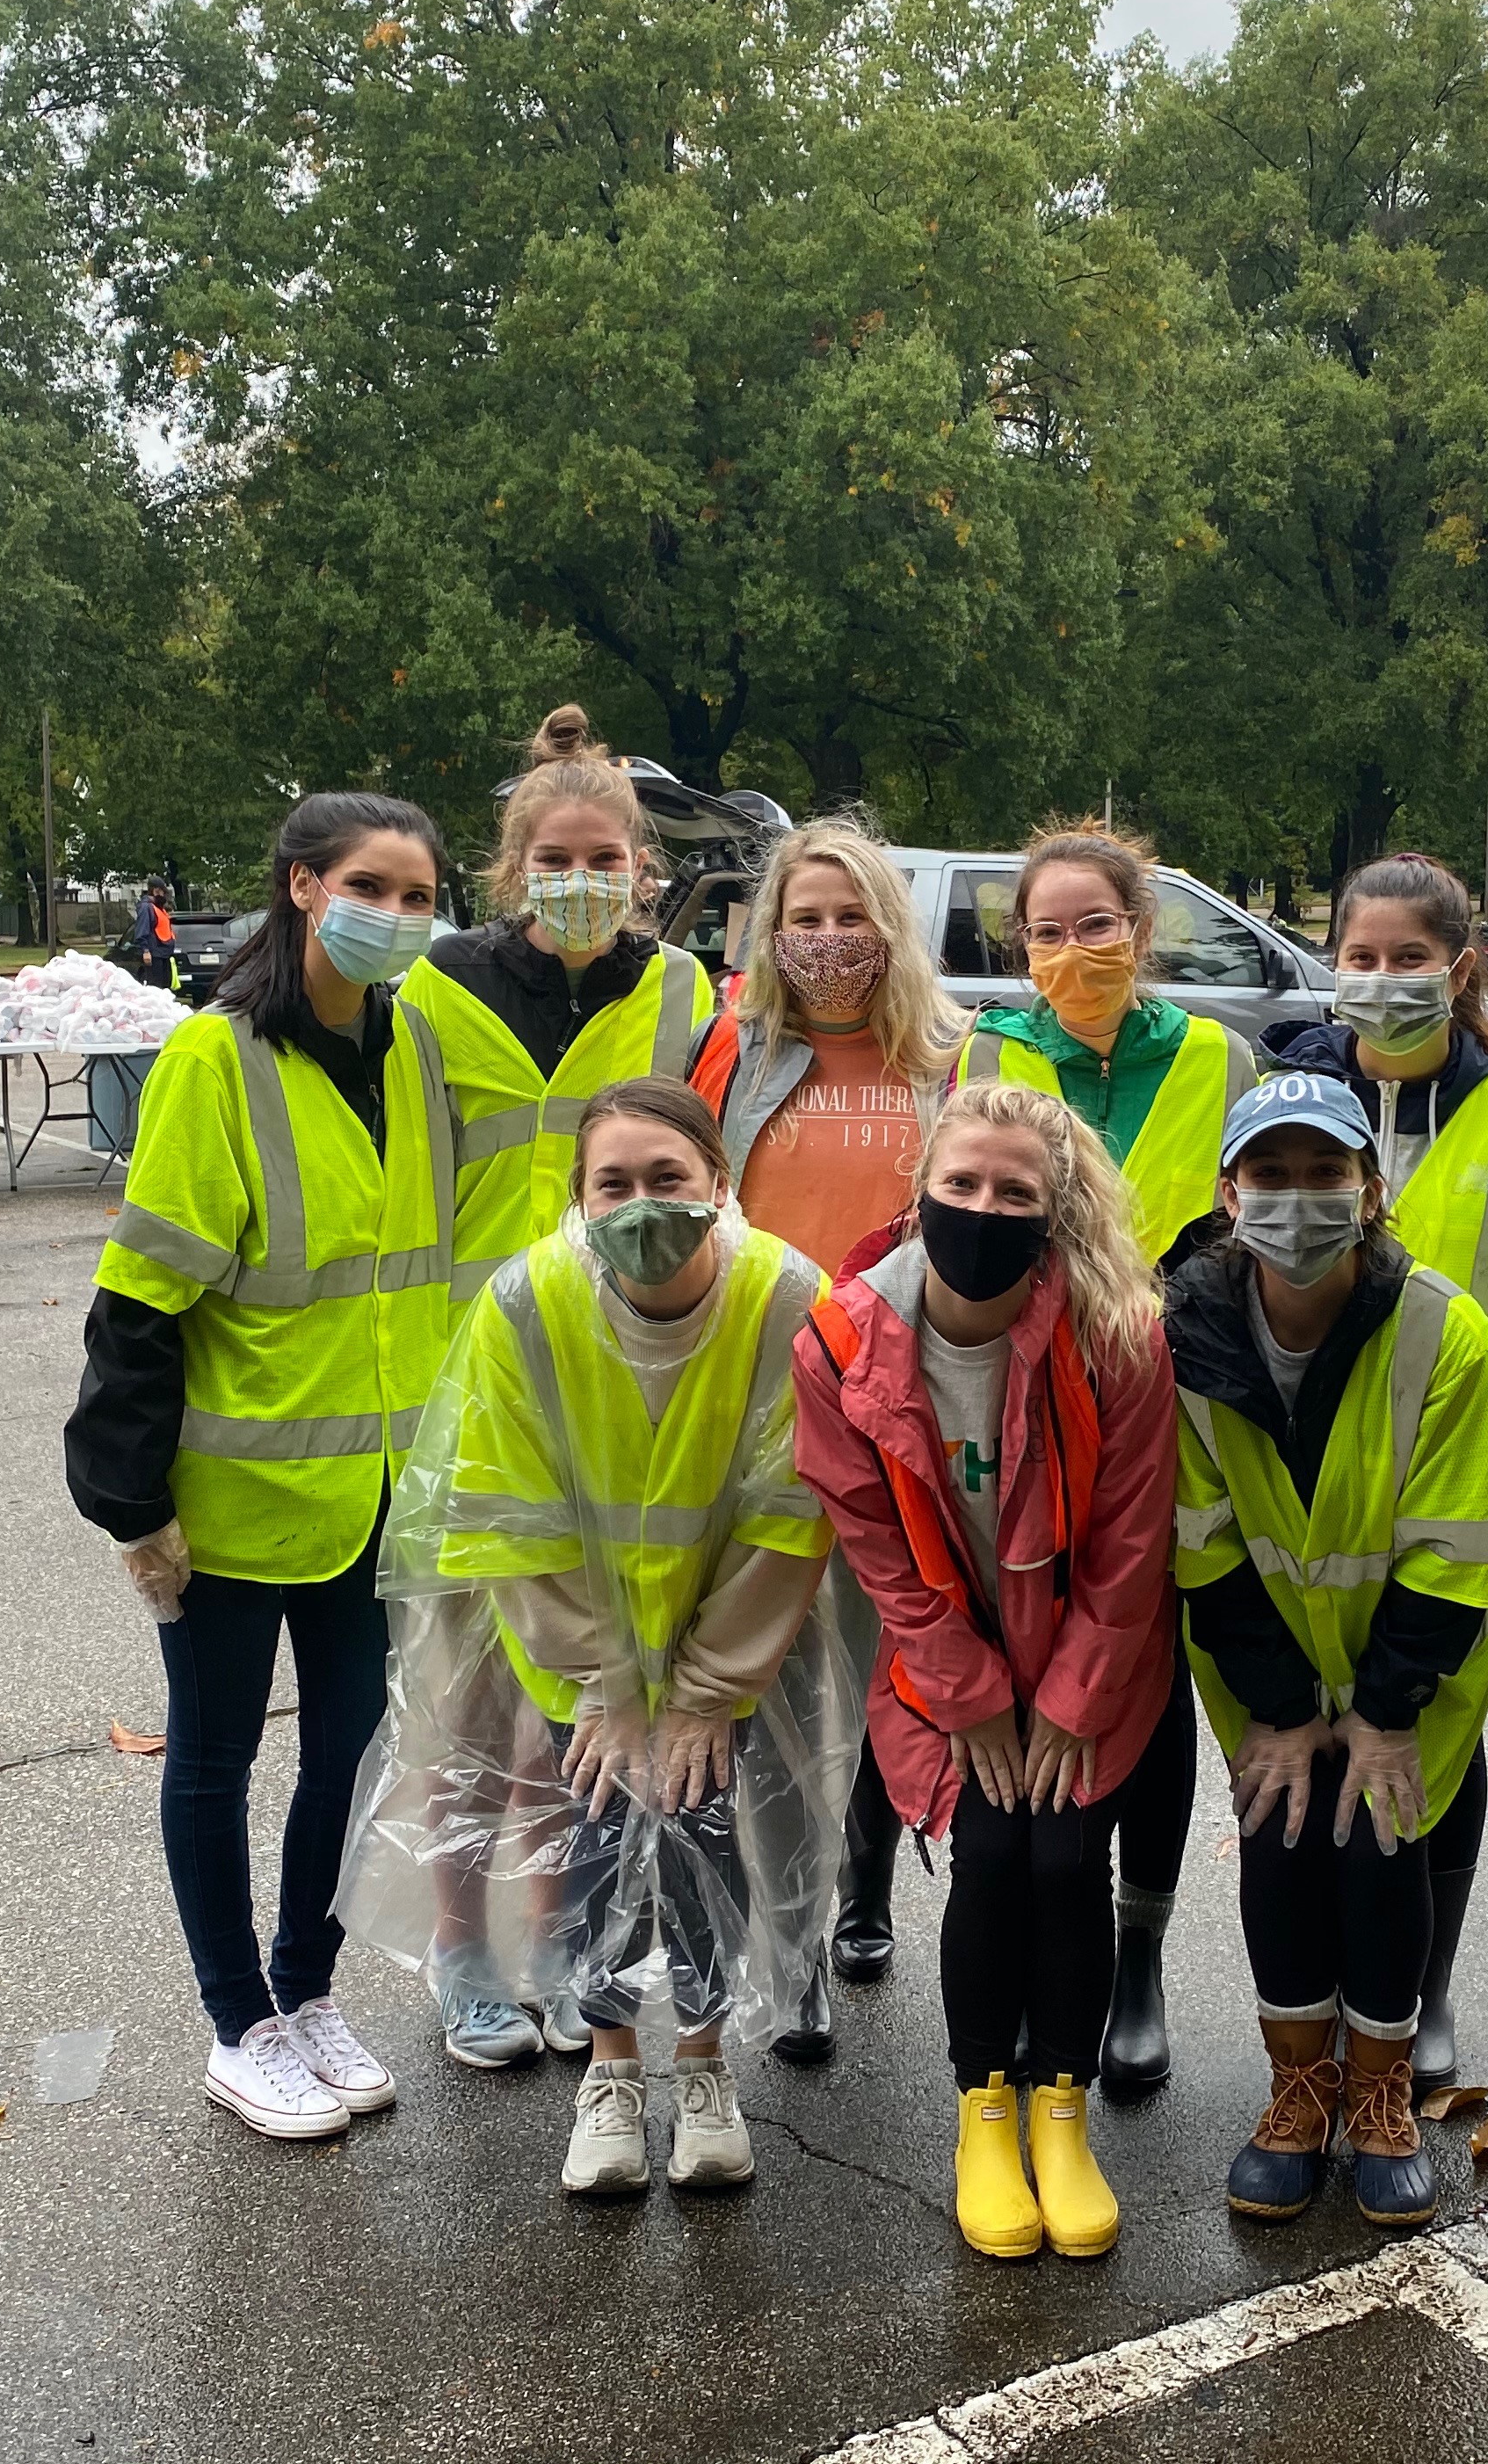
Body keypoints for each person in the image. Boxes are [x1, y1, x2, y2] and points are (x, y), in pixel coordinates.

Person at [62, 792, 457, 2144]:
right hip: (227, 1506)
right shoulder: (212, 1061)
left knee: (345, 1756)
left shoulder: (410, 1054)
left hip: (375, 1498)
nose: (397, 918)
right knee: (218, 1760)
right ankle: (239, 2023)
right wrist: (133, 1506)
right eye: (371, 887)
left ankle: (308, 1992)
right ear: (300, 886)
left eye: (418, 895)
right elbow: (141, 1299)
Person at [375, 1079, 851, 2197]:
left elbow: (794, 1511)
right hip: (575, 1644)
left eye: (669, 1179)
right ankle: (610, 2068)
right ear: (578, 1200)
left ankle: (702, 2065)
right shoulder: (528, 1304)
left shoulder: (789, 1299)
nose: (644, 1205)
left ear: (719, 1185)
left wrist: (703, 1689)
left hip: (726, 1629)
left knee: (706, 1835)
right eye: (615, 1184)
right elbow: (505, 1509)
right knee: (594, 1837)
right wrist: (601, 1689)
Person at [791, 1081, 1177, 2260]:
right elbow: (877, 1553)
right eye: (961, 1184)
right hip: (947, 1660)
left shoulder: (1117, 1331)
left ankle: (1061, 2115)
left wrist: (1064, 1704)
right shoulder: (842, 1339)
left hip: (1091, 1655)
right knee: (991, 1855)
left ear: (1055, 1213)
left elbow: (1129, 1539)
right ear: (919, 1194)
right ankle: (984, 2111)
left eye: (1016, 1191)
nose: (983, 1207)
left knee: (1066, 1855)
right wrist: (968, 1701)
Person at [397, 702, 726, 2064]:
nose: (584, 880)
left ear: (643, 867)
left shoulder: (680, 995)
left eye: (609, 859)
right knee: (473, 1699)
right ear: (515, 866)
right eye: (559, 857)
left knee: (581, 1694)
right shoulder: (434, 992)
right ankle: (465, 1952)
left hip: (626, 1380)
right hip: (475, 1387)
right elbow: (403, 1197)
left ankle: (558, 1946)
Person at [1171, 1073, 1488, 2228]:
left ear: (1372, 1191)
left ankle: (1378, 2096)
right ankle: (1297, 2092)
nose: (1299, 1200)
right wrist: (1278, 1705)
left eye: (1327, 1175)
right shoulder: (1188, 1335)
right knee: (1281, 1841)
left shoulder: (1445, 1333)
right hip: (1263, 1663)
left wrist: (1377, 1712)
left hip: (1408, 1674)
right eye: (1271, 1175)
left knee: (1377, 1851)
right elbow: (1197, 1539)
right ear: (1229, 1194)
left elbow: (1457, 1545)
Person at [1269, 854, 1488, 2087]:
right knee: (1306, 1737)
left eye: (1410, 958)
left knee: (1433, 1752)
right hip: (1307, 1494)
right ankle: (1315, 2001)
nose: (1384, 978)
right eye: (1361, 956)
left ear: (1460, 970)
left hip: (1462, 1497)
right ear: (1332, 962)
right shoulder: (1293, 1103)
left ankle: (1421, 1990)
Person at [955, 821, 1260, 2097]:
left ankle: (1137, 1958)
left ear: (1143, 930)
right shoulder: (987, 1052)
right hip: (1026, 1410)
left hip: (1176, 1400)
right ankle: (1040, 1947)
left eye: (1099, 925)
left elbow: (1247, 1222)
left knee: (1156, 1674)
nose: (1074, 950)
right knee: (1039, 1671)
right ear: (1016, 945)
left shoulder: (1218, 1054)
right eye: (1047, 930)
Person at [696, 817, 963, 2030]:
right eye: (804, 918)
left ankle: (867, 1892)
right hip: (761, 1407)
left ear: (889, 927)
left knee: (886, 1669)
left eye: (850, 915)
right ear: (771, 932)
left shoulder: (957, 1060)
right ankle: (790, 1943)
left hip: (902, 1410)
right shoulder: (731, 1056)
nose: (827, 940)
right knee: (777, 1680)